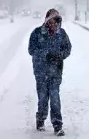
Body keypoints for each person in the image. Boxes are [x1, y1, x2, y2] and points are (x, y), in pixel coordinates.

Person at [28, 8, 72, 136]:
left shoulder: (62, 34)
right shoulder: (37, 33)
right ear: (47, 21)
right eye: (51, 21)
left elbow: (68, 49)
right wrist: (45, 54)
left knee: (55, 98)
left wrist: (59, 55)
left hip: (55, 72)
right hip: (41, 72)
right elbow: (31, 50)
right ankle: (40, 119)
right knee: (42, 98)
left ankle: (57, 125)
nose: (54, 24)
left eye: (56, 22)